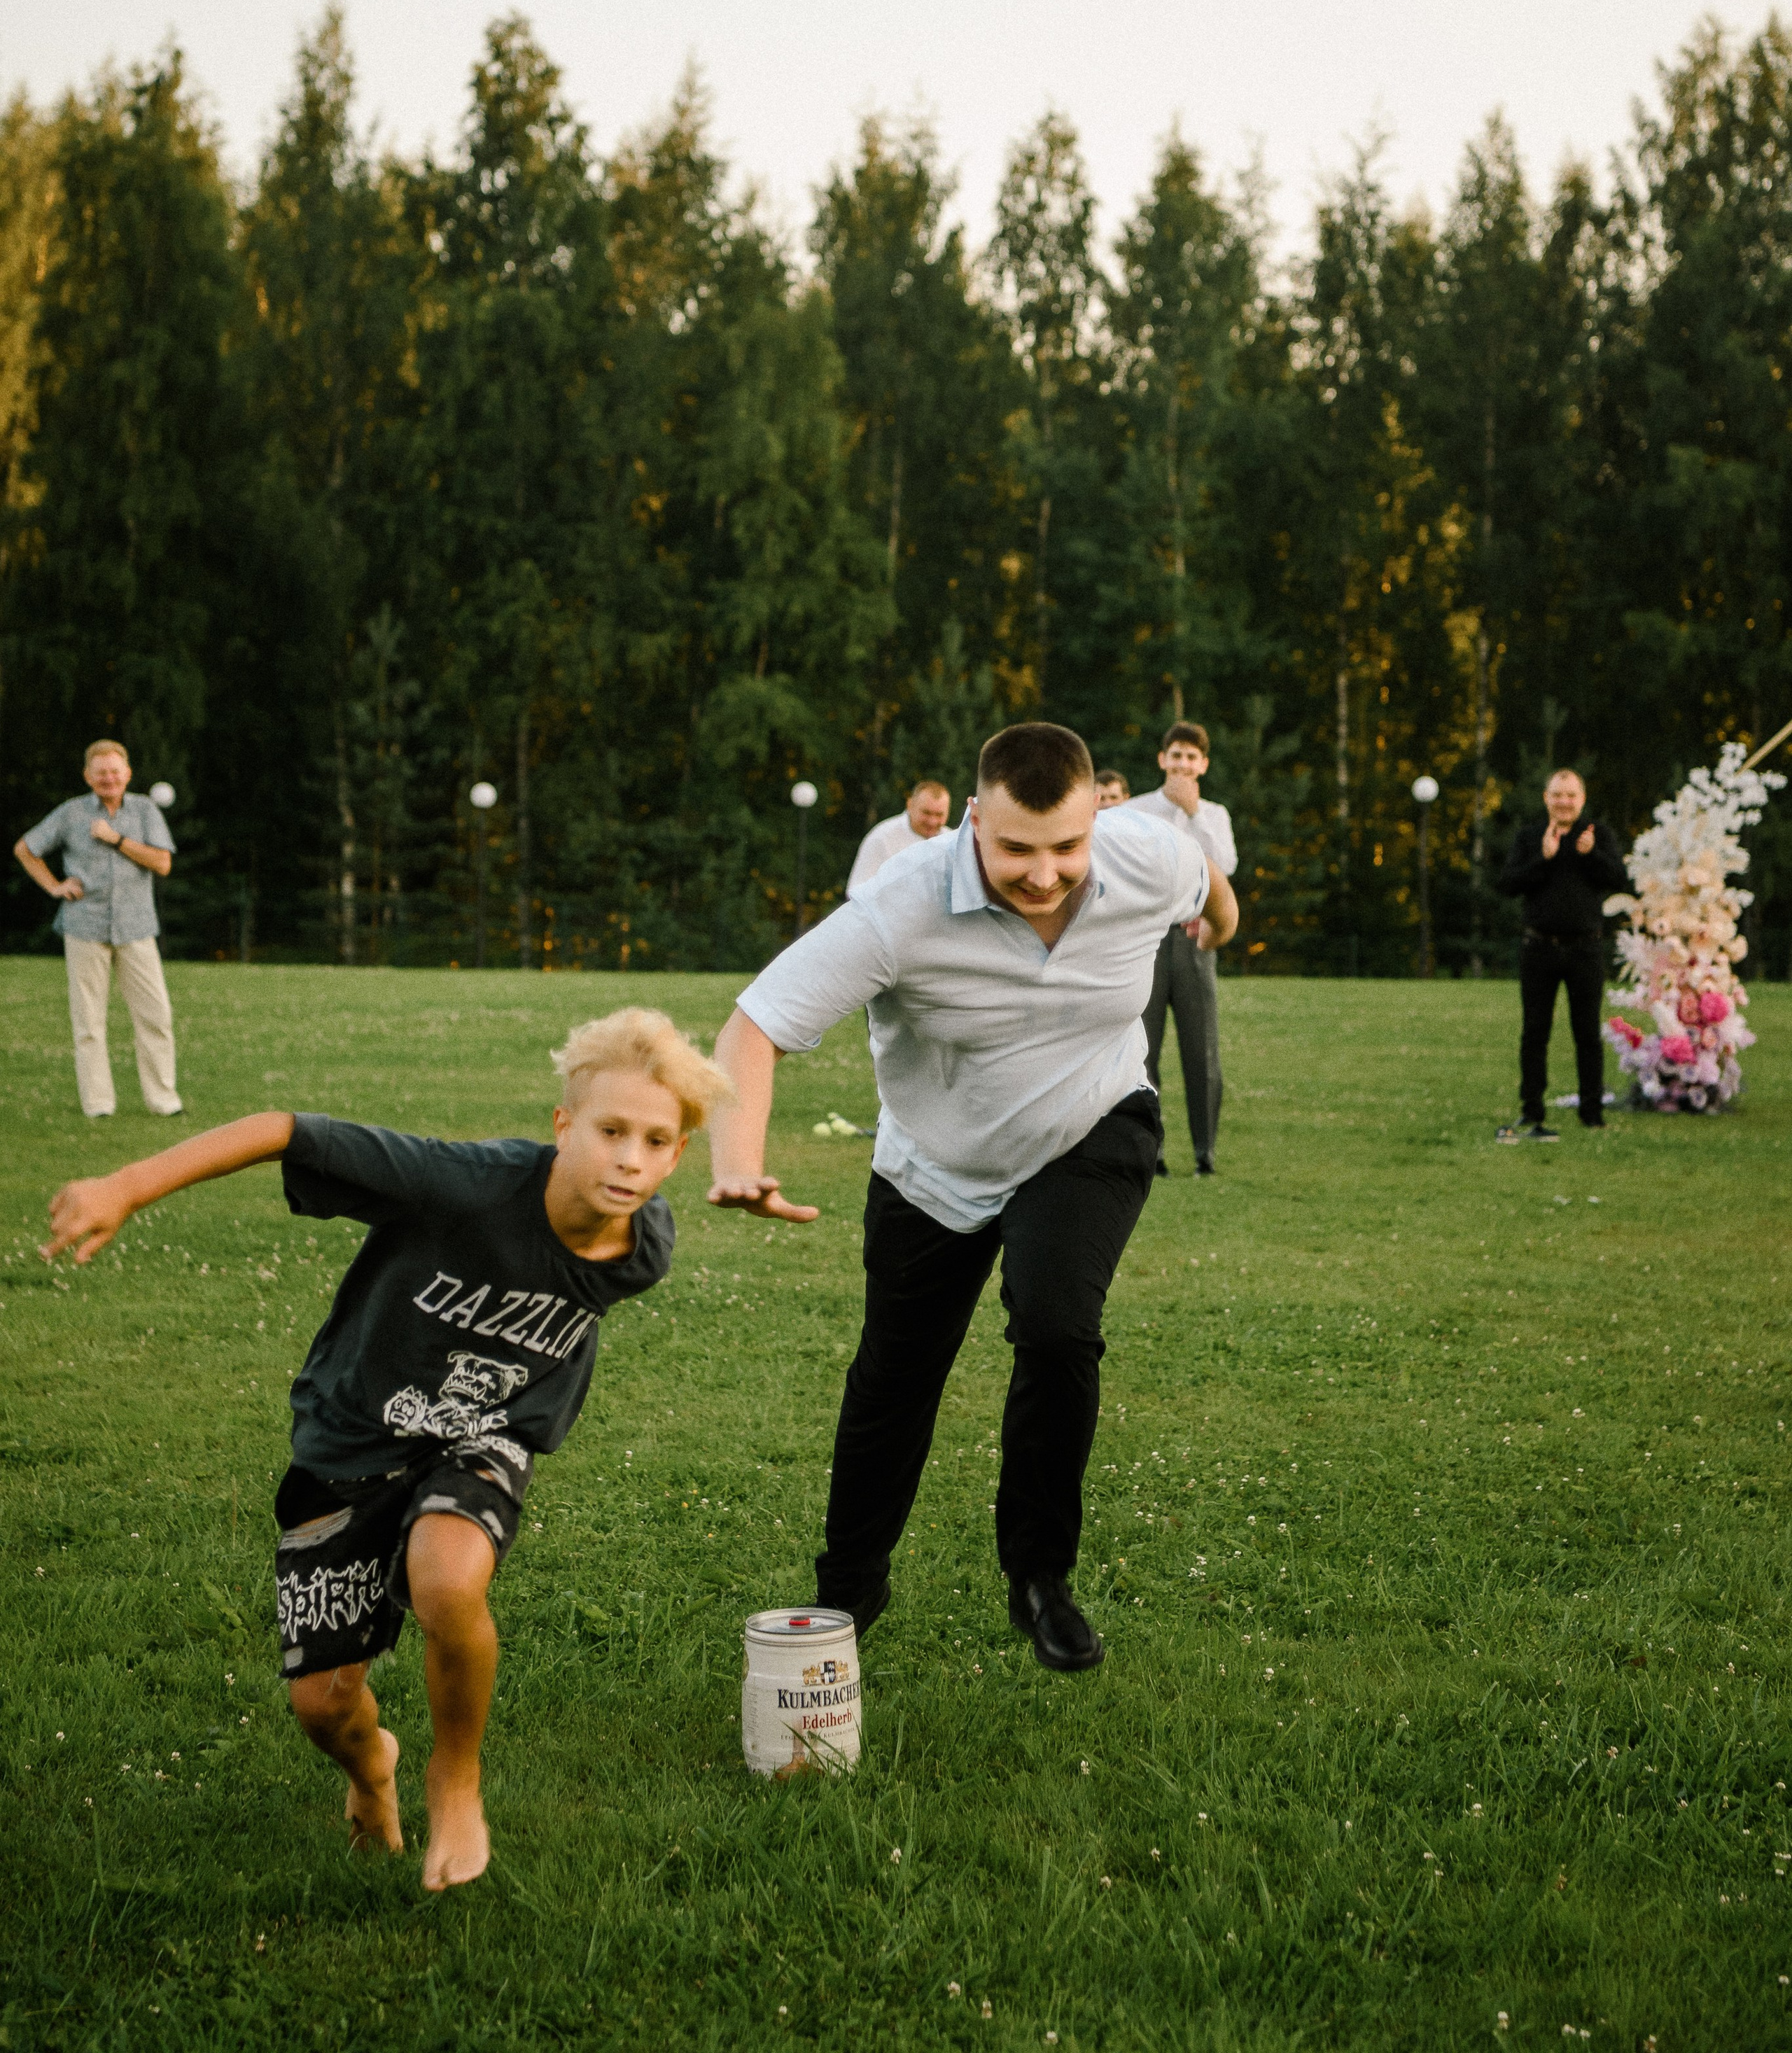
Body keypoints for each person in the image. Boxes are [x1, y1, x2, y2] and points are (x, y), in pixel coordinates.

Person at [41, 1009, 729, 1889]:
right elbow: (285, 1130)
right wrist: (128, 1184)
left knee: (448, 1577)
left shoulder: (643, 1248)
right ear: (563, 1125)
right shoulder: (461, 1183)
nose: (630, 1158)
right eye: (610, 1131)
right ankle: (374, 1773)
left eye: (657, 1141)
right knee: (323, 1706)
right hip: (354, 1435)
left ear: (676, 1157)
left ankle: (456, 1777)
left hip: (483, 1433)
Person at [706, 721, 1237, 1674]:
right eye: (1017, 850)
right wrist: (738, 1159)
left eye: (1067, 847)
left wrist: (1220, 921)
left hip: (1091, 1122)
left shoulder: (1145, 852)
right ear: (975, 818)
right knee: (896, 1376)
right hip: (935, 1164)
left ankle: (1040, 1578)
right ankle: (849, 1588)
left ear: (1098, 819)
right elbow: (754, 1025)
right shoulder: (899, 907)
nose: (1044, 873)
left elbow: (1207, 885)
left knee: (1057, 1324)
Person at [14, 738, 181, 1119]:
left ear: (128, 774)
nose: (109, 778)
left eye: (115, 771)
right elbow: (26, 848)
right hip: (84, 927)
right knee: (89, 1022)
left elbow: (163, 862)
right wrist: (55, 886)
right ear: (88, 776)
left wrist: (116, 839)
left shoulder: (145, 810)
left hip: (137, 928)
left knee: (156, 1016)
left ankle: (164, 1101)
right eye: (101, 772)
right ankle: (99, 1105)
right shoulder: (71, 813)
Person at [1496, 768, 1628, 1141]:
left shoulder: (1597, 835)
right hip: (1538, 948)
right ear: (1546, 798)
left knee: (1587, 1033)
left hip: (1585, 949)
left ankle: (1592, 1112)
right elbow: (1507, 884)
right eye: (1557, 795)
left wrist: (1591, 856)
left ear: (1582, 799)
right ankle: (1532, 1110)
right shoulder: (1530, 837)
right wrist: (1543, 857)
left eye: (1571, 795)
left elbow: (1618, 879)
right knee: (1534, 1033)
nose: (1564, 802)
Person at [1130, 720, 1238, 1178]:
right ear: (1162, 760)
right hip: (1149, 936)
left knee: (1202, 1049)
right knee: (1142, 1047)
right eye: (1176, 755)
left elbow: (1225, 866)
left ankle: (1204, 1153)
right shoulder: (1139, 809)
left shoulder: (1214, 814)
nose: (1183, 764)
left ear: (1204, 764)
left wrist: (1193, 815)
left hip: (1196, 937)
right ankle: (1148, 1150)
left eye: (1192, 757)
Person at [846, 779, 952, 893]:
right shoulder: (882, 838)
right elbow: (856, 892)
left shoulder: (952, 842)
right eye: (926, 813)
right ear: (910, 805)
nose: (932, 821)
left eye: (939, 815)